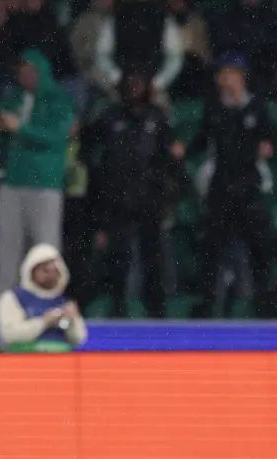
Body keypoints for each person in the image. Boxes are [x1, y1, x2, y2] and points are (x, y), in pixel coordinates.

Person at [82, 69, 184, 317]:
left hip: (150, 195)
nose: (135, 88)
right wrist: (102, 176)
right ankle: (117, 305)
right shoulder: (110, 116)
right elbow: (87, 146)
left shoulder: (157, 117)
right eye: (131, 83)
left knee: (152, 254)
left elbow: (171, 155)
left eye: (139, 83)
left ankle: (156, 307)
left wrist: (168, 187)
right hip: (117, 195)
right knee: (118, 254)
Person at [187, 53, 274, 317]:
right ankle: (207, 305)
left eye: (229, 74)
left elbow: (269, 141)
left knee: (259, 250)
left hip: (248, 187)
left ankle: (265, 304)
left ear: (240, 76)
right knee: (212, 250)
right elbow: (203, 139)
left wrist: (268, 146)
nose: (223, 80)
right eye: (221, 75)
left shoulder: (256, 107)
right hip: (221, 187)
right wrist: (184, 150)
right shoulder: (214, 108)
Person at [0, 49, 73, 306]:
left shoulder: (59, 100)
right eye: (21, 71)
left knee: (46, 249)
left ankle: (49, 304)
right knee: (7, 249)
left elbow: (57, 137)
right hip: (12, 182)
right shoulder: (15, 97)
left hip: (44, 185)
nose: (25, 76)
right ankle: (3, 305)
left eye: (30, 71)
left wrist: (20, 128)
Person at [0, 243, 87, 352]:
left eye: (55, 271)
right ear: (31, 270)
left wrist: (73, 320)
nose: (50, 275)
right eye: (45, 270)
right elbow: (9, 334)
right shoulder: (13, 298)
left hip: (61, 359)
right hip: (24, 357)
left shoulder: (65, 302)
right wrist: (44, 322)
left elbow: (78, 339)